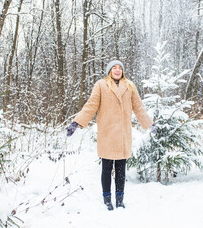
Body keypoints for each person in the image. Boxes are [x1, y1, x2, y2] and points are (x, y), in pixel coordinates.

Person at [66, 60, 157, 211]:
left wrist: (150, 124)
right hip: (107, 134)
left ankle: (120, 200)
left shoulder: (129, 86)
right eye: (114, 68)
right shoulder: (101, 85)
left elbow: (139, 107)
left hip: (123, 135)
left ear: (123, 71)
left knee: (121, 169)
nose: (117, 70)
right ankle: (107, 199)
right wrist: (76, 122)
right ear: (109, 71)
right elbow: (91, 105)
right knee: (107, 168)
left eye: (120, 68)